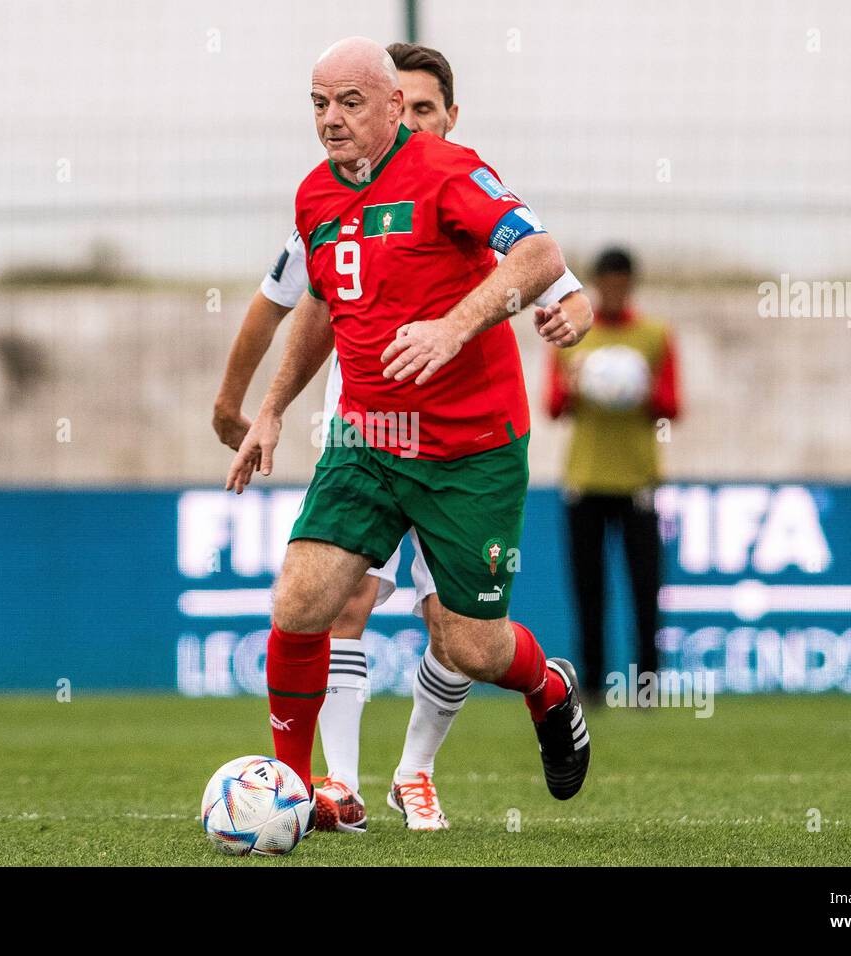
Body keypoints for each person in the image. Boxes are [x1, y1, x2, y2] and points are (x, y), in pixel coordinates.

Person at [213, 42, 591, 831]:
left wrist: (456, 327)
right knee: (301, 602)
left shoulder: (448, 171)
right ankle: (293, 792)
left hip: (470, 448)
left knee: (471, 648)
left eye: (350, 102)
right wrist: (275, 406)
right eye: (319, 104)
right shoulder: (315, 196)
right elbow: (319, 304)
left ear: (393, 106)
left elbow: (538, 253)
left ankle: (547, 687)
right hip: (367, 442)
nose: (331, 120)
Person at [545, 247, 681, 704]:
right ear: (598, 284)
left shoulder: (655, 335)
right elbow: (553, 406)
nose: (615, 290)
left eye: (623, 282)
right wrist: (578, 383)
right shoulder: (573, 335)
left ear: (631, 284)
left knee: (645, 588)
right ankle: (595, 685)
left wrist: (638, 387)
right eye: (608, 282)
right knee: (589, 590)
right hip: (584, 479)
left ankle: (647, 686)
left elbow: (671, 407)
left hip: (639, 480)